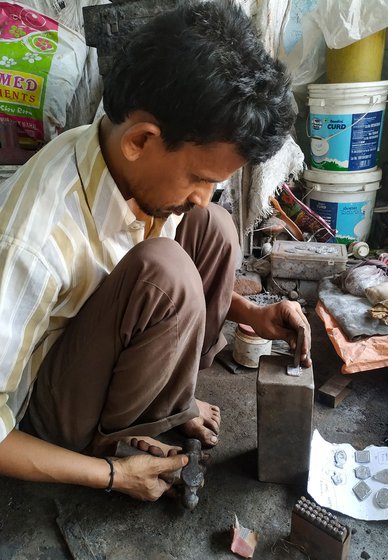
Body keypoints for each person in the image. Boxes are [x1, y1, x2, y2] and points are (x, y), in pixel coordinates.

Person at [0, 0, 311, 503]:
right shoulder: (30, 240)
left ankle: (168, 402)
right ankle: (118, 444)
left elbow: (143, 253)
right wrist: (110, 474)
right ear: (142, 138)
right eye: (200, 178)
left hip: (89, 335)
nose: (200, 194)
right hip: (45, 410)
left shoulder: (124, 156)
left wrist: (249, 311)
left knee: (213, 228)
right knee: (164, 273)